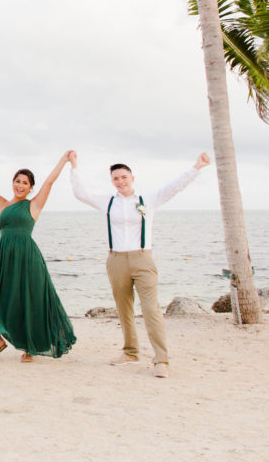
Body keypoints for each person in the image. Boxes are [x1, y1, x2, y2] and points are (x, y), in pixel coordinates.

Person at [70, 150, 211, 378]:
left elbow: (175, 187)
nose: (120, 181)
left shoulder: (148, 199)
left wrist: (196, 167)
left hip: (142, 258)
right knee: (123, 308)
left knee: (150, 308)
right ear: (112, 181)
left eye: (124, 177)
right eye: (115, 178)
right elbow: (80, 193)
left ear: (132, 178)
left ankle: (161, 360)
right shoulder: (107, 202)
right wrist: (74, 166)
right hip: (116, 259)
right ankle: (130, 351)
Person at [0, 151, 77, 362]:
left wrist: (64, 160)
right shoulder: (3, 204)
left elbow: (49, 181)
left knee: (28, 302)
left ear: (31, 188)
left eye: (25, 183)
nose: (20, 185)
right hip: (5, 261)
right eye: (17, 181)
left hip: (28, 259)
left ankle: (30, 348)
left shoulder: (34, 204)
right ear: (13, 183)